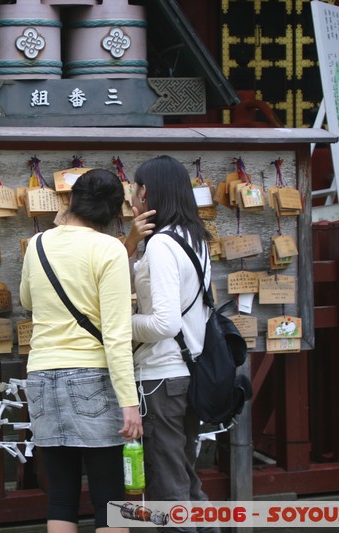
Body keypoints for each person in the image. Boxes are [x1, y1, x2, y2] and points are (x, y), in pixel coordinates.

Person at [21, 169, 143, 533]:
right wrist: (129, 402)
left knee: (61, 494)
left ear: (71, 200)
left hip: (41, 375)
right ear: (111, 212)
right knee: (109, 495)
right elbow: (117, 335)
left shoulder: (38, 243)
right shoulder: (109, 249)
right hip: (91, 374)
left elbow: (28, 300)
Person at [124, 155, 219, 533]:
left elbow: (164, 322)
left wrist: (116, 326)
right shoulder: (194, 238)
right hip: (186, 372)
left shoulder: (163, 245)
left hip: (163, 376)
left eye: (134, 187)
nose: (132, 195)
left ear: (146, 191)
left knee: (167, 486)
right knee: (184, 476)